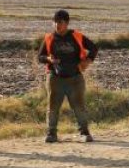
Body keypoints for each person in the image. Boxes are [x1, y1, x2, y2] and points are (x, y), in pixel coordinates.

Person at [36, 9, 98, 142]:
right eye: (55, 22)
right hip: (55, 78)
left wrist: (87, 61)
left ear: (67, 23)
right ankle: (51, 134)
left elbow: (93, 48)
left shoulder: (77, 36)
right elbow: (40, 57)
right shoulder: (49, 38)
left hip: (75, 78)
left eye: (60, 22)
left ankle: (84, 133)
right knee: (52, 108)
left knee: (79, 107)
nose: (57, 25)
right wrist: (49, 59)